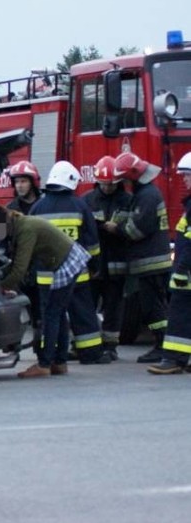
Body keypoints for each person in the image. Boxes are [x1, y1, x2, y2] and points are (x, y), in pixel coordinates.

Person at [0, 205, 92, 378]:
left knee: (52, 314)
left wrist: (0, 287)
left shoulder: (26, 229)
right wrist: (0, 278)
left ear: (5, 223)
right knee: (58, 313)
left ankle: (44, 364)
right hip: (69, 259)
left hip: (67, 262)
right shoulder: (19, 225)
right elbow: (15, 264)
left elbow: (20, 269)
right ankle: (59, 362)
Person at [30, 161, 113, 364]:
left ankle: (54, 355)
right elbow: (92, 242)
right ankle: (91, 353)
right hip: (76, 274)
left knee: (51, 316)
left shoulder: (37, 208)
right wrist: (94, 266)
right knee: (83, 314)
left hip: (46, 277)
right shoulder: (79, 206)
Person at [104, 152, 173, 363]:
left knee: (152, 307)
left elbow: (137, 230)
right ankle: (162, 345)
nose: (123, 184)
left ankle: (162, 345)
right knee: (152, 305)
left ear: (132, 177)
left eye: (124, 179)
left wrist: (116, 228)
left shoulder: (147, 196)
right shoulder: (145, 194)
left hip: (150, 262)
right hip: (150, 261)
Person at [81, 156, 132, 359]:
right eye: (103, 183)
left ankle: (110, 346)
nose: (107, 187)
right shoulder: (87, 199)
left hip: (116, 263)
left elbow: (133, 229)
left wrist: (118, 230)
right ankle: (87, 344)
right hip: (93, 264)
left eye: (111, 184)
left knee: (113, 307)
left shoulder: (127, 201)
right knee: (87, 306)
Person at [148, 152, 191, 374]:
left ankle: (173, 360)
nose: (184, 180)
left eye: (187, 176)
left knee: (178, 317)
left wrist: (182, 271)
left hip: (188, 276)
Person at [4, 160, 43, 344]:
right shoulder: (8, 209)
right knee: (16, 310)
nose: (19, 185)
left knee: (41, 311)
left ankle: (42, 346)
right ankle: (13, 345)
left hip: (42, 265)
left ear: (33, 182)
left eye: (23, 181)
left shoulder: (45, 205)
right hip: (19, 267)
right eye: (17, 182)